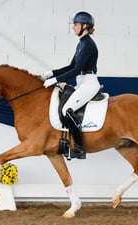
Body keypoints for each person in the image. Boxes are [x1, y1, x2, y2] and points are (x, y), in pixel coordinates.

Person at [42, 11, 101, 160]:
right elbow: (71, 66)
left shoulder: (88, 44)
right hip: (81, 82)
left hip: (89, 82)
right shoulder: (81, 43)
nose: (73, 27)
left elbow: (75, 70)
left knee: (67, 110)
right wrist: (51, 73)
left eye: (76, 25)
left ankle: (79, 148)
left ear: (85, 26)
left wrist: (56, 80)